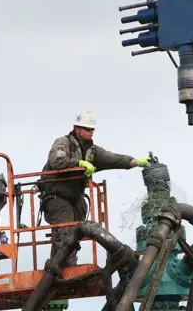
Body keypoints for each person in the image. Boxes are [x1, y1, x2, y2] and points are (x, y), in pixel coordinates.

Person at [40, 110, 151, 266]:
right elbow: (56, 161)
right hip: (56, 197)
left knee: (74, 233)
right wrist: (78, 164)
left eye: (92, 129)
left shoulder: (92, 151)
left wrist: (135, 162)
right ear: (77, 128)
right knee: (65, 232)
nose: (91, 132)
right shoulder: (63, 143)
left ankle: (57, 265)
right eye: (87, 129)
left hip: (75, 198)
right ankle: (65, 268)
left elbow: (114, 159)